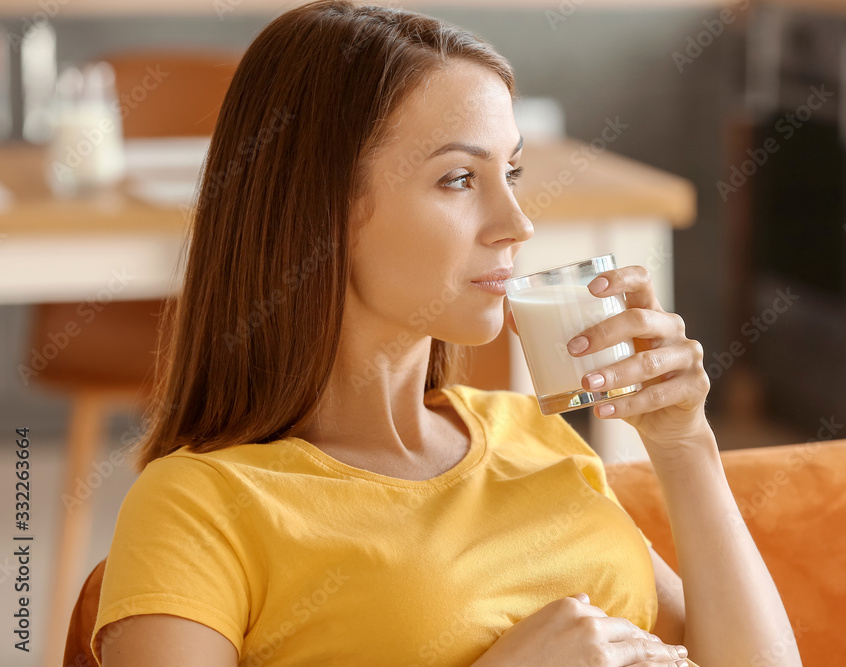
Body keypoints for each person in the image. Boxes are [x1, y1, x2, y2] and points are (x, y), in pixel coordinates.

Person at [91, 2, 802, 666]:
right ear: (322, 211)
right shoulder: (199, 502)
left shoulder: (535, 432)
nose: (518, 223)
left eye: (511, 171)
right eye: (459, 178)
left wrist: (686, 445)